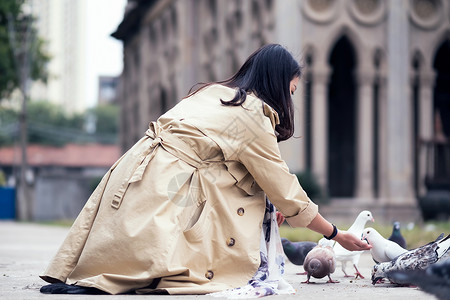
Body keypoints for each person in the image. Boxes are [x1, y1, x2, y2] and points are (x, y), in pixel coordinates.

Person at [39, 44, 371, 296]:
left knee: (129, 256)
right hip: (173, 181)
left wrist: (267, 200)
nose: (291, 101)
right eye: (292, 91)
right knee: (172, 257)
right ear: (278, 84)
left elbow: (237, 168)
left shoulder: (210, 94)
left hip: (132, 172)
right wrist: (334, 234)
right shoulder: (252, 113)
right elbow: (287, 191)